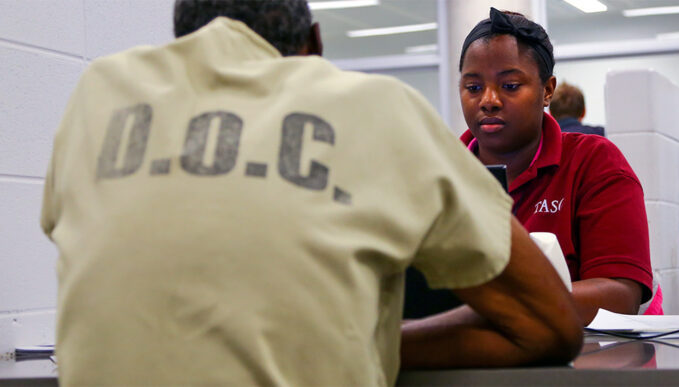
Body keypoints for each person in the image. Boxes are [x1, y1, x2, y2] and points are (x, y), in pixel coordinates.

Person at [41, 1, 581, 385]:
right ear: (315, 48)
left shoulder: (99, 96)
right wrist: (361, 338)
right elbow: (549, 325)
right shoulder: (376, 109)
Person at [457, 8, 656, 325]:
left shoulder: (593, 163)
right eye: (473, 87)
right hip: (456, 362)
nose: (488, 100)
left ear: (547, 90)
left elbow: (619, 297)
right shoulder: (437, 175)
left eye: (509, 86)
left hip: (574, 364)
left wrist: (491, 307)